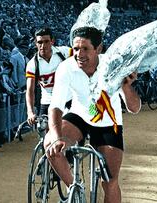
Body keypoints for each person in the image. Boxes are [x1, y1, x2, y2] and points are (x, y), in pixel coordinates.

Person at [44, 27, 141, 202]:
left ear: (98, 49)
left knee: (110, 181)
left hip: (108, 122)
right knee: (50, 144)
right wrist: (58, 137)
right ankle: (74, 188)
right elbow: (56, 107)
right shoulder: (66, 67)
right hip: (80, 115)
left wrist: (126, 87)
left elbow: (134, 108)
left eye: (85, 49)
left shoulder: (113, 66)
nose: (79, 54)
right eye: (76, 48)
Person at [25, 27, 71, 125]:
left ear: (52, 41)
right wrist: (30, 112)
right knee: (44, 134)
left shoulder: (64, 52)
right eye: (40, 42)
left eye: (46, 41)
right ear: (35, 43)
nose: (43, 45)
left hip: (68, 98)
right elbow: (30, 90)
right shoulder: (32, 64)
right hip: (47, 101)